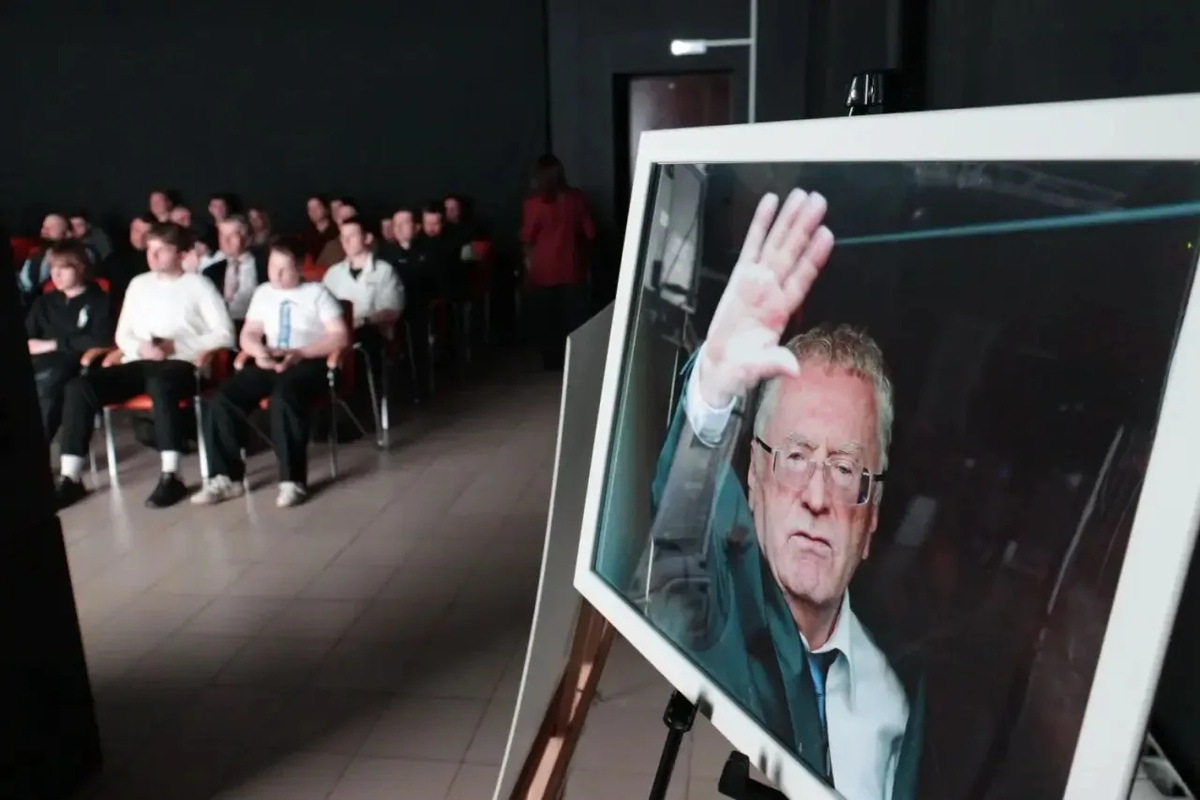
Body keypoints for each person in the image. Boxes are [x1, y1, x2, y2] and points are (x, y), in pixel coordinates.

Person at [645, 190, 923, 800]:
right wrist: (713, 390)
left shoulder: (898, 705)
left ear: (872, 520)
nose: (817, 496)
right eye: (795, 457)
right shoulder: (712, 620)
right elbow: (681, 537)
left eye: (845, 469)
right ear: (754, 479)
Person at [52, 221, 235, 510]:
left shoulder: (198, 285)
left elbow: (225, 333)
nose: (154, 255)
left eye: (162, 249)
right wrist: (141, 347)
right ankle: (70, 476)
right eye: (150, 249)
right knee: (79, 386)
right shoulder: (138, 284)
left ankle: (171, 474)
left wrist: (176, 345)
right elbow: (122, 334)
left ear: (181, 253)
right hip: (140, 360)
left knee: (161, 383)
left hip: (181, 363)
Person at [191, 239, 350, 508]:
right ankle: (226, 478)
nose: (276, 274)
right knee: (223, 397)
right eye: (273, 267)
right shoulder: (263, 293)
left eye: (284, 269)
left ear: (299, 267)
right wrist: (259, 352)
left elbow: (339, 336)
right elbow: (249, 333)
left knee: (283, 398)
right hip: (270, 358)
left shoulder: (317, 293)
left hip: (308, 361)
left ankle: (292, 481)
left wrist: (300, 353)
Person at [25, 241, 112, 440]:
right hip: (40, 360)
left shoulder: (99, 300)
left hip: (75, 362)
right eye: (52, 268)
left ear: (80, 267)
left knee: (50, 382)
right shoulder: (44, 301)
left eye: (63, 268)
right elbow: (29, 334)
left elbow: (101, 339)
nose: (56, 275)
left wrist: (54, 344)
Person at [520, 154, 595, 370]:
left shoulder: (532, 203)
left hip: (542, 270)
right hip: (572, 267)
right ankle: (574, 363)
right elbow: (590, 232)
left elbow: (527, 238)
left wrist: (527, 267)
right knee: (573, 319)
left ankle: (551, 362)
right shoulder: (576, 199)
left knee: (546, 320)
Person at [322, 216, 403, 354]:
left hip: (372, 336)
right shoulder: (332, 274)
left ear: (367, 238)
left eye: (352, 236)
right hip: (338, 334)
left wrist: (363, 321)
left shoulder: (384, 270)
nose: (346, 241)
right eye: (343, 237)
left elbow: (392, 310)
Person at [200, 215, 262, 327]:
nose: (225, 241)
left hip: (257, 326)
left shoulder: (265, 266)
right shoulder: (210, 272)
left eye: (232, 235)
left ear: (247, 238)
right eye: (222, 235)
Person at [16, 213, 73, 306]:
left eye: (52, 227)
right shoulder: (37, 251)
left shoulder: (70, 254)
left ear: (66, 233)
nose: (45, 230)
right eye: (44, 226)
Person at [315, 198, 359, 268]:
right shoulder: (331, 246)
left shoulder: (367, 240)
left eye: (338, 208)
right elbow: (318, 269)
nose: (335, 212)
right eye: (332, 210)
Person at [299, 195, 338, 260]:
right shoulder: (306, 235)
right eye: (310, 209)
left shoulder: (338, 231)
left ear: (326, 209)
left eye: (317, 207)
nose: (313, 211)